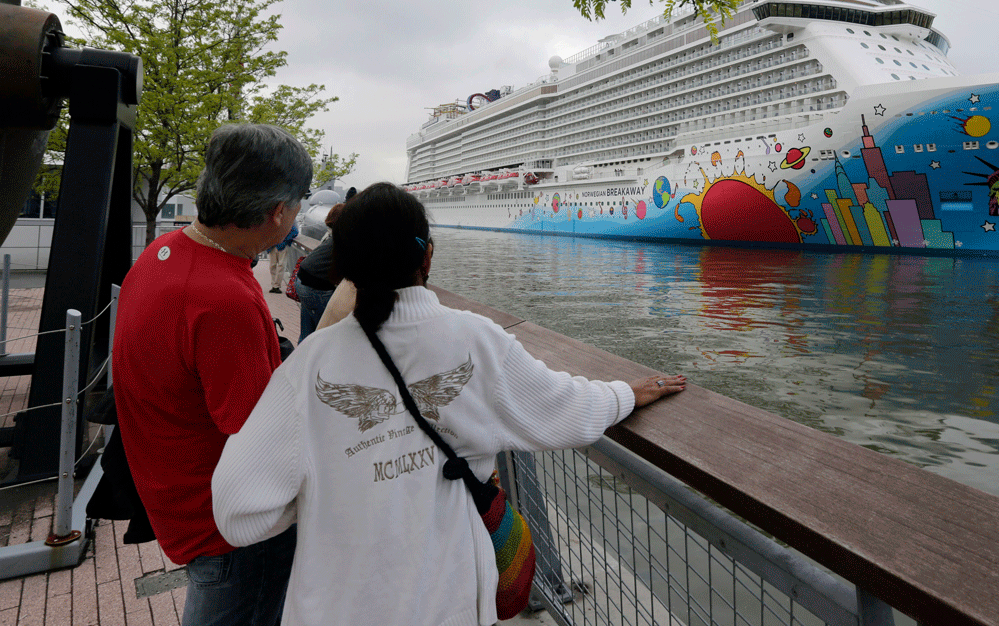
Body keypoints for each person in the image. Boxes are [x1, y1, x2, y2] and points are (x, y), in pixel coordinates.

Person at [211, 182, 686, 626]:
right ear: (428, 257)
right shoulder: (476, 341)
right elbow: (567, 410)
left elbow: (235, 510)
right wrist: (627, 393)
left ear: (345, 267)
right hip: (449, 602)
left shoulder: (309, 365)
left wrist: (330, 495)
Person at [113, 123, 312, 626]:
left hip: (174, 494)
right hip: (230, 528)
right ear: (277, 213)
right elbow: (259, 437)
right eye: (298, 203)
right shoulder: (224, 298)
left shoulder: (167, 252)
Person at [294, 202, 344, 342]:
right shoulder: (348, 238)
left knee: (307, 330)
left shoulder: (333, 236)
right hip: (317, 286)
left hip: (303, 279)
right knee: (324, 332)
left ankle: (301, 359)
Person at [268, 220, 299, 293]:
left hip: (282, 246)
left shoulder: (287, 220)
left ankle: (276, 286)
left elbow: (295, 232)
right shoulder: (271, 220)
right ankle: (274, 285)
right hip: (272, 246)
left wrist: (285, 241)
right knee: (273, 266)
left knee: (281, 265)